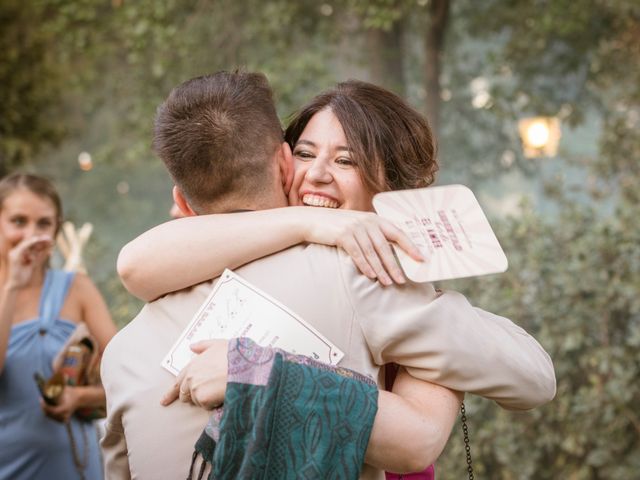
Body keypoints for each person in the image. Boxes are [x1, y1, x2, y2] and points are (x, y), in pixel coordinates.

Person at [102, 72, 555, 480]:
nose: (317, 175)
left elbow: (443, 427)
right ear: (284, 163)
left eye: (346, 160)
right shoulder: (351, 276)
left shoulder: (122, 352)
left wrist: (425, 283)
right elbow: (135, 264)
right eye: (305, 153)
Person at [0, 173, 117, 480]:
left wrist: (79, 398)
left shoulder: (77, 289)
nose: (31, 234)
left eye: (43, 224)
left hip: (73, 465)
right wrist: (12, 287)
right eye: (18, 221)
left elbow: (126, 374)